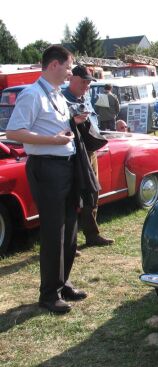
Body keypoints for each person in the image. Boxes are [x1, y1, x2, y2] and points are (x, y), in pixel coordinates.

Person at [5, 45, 89, 314]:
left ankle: (62, 283)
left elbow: (56, 126)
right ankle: (48, 294)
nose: (69, 72)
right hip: (47, 168)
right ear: (53, 65)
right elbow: (14, 132)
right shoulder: (32, 94)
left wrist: (73, 122)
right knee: (54, 231)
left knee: (70, 225)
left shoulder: (57, 95)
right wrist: (53, 140)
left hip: (66, 166)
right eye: (67, 67)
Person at [63, 65, 114, 248]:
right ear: (72, 79)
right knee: (71, 197)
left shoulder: (85, 97)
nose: (86, 86)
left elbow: (93, 122)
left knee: (92, 192)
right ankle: (68, 243)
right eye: (83, 82)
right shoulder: (62, 99)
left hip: (89, 151)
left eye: (88, 82)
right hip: (71, 154)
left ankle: (92, 235)